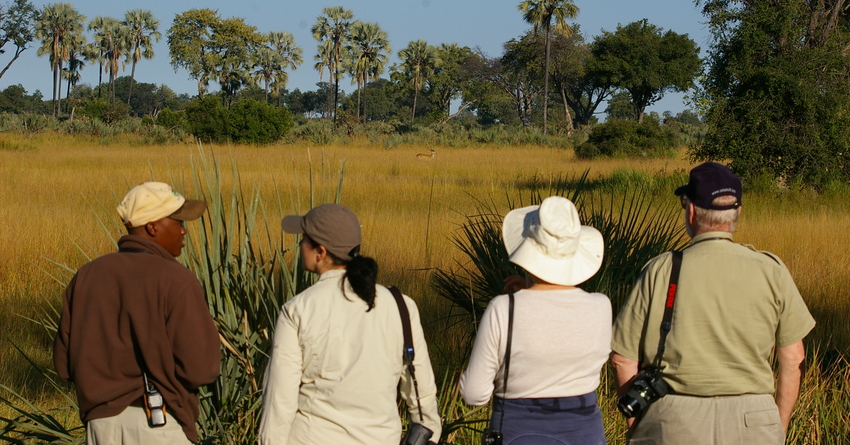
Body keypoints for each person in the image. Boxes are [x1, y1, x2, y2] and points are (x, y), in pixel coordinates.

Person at [611, 162, 816, 444]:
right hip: (754, 420)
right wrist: (776, 427)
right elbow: (793, 360)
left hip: (674, 420)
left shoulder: (661, 270)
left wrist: (639, 426)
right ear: (737, 212)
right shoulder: (772, 270)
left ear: (691, 211)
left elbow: (622, 359)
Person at [258, 203, 441, 445]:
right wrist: (431, 433)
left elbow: (279, 401)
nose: (300, 244)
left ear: (320, 252)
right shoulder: (401, 306)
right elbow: (421, 389)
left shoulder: (297, 310)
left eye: (304, 239)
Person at [54, 182, 221, 444]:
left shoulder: (86, 276)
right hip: (158, 424)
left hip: (100, 427)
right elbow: (202, 370)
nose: (183, 230)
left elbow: (64, 367)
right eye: (177, 221)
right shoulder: (176, 280)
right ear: (152, 227)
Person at [459, 196, 611, 445]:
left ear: (529, 248)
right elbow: (556, 320)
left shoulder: (504, 309)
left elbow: (474, 395)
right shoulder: (601, 306)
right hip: (586, 434)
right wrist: (531, 291)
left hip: (518, 433)